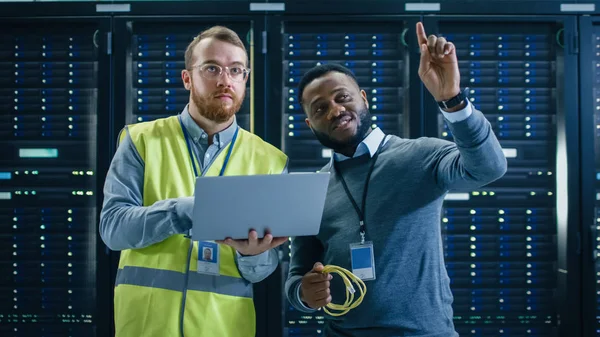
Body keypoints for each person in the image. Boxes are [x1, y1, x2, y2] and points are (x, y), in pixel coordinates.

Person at [285, 22, 507, 336]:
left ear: (363, 98)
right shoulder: (311, 190)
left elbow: (488, 168)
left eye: (342, 98)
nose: (335, 110)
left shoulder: (421, 155)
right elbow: (297, 278)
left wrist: (453, 101)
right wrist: (304, 295)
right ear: (310, 123)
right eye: (321, 108)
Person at [99, 26, 288, 337]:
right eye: (212, 68)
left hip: (224, 328)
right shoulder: (141, 140)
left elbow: (263, 271)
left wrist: (252, 254)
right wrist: (184, 211)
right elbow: (113, 230)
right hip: (147, 326)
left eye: (236, 70)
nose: (225, 79)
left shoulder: (269, 160)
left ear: (245, 79)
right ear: (187, 78)